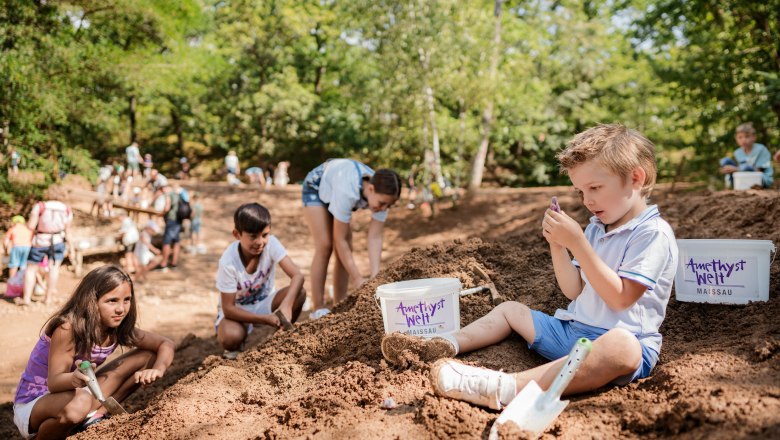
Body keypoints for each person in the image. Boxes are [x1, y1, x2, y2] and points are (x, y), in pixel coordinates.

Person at [381, 124, 678, 411]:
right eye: (579, 192)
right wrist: (558, 245)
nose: (587, 200)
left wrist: (579, 244)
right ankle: (441, 345)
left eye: (595, 188)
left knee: (622, 346)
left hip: (614, 348)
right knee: (510, 310)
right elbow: (574, 290)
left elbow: (621, 298)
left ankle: (504, 387)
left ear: (635, 178)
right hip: (573, 334)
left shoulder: (652, 234)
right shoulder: (597, 229)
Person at [12, 265, 174, 439]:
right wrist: (74, 379)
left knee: (147, 356)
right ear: (91, 301)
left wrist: (158, 369)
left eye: (127, 300)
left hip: (80, 394)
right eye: (112, 301)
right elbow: (54, 382)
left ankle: (95, 416)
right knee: (79, 403)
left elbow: (165, 344)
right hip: (36, 404)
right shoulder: (68, 328)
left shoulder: (118, 328)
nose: (121, 309)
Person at [301, 159, 402, 319]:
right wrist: (357, 279)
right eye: (382, 204)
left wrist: (375, 277)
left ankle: (338, 305)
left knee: (347, 246)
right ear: (370, 188)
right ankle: (317, 308)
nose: (383, 209)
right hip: (316, 187)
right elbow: (338, 239)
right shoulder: (347, 191)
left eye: (388, 206)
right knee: (326, 245)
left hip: (337, 190)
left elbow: (375, 236)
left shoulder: (383, 196)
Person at [215, 203, 306, 359]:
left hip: (266, 303)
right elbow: (228, 308)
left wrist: (286, 306)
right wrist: (264, 319)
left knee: (300, 293)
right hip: (238, 311)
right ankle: (236, 348)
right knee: (231, 337)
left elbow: (298, 276)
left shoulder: (271, 245)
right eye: (253, 236)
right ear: (237, 234)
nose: (260, 242)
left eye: (264, 235)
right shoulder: (228, 262)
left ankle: (279, 338)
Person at [20, 187, 75, 306]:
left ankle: (27, 299)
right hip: (58, 241)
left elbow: (30, 226)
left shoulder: (40, 206)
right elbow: (68, 231)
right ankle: (48, 298)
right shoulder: (67, 209)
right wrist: (72, 249)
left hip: (40, 241)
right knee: (54, 269)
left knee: (31, 269)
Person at [718, 122, 773, 188]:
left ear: (754, 137)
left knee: (745, 167)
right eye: (740, 137)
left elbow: (758, 171)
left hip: (761, 178)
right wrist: (728, 170)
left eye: (747, 136)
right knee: (725, 161)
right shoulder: (737, 152)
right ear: (736, 139)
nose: (743, 140)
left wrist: (737, 169)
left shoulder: (761, 149)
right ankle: (730, 186)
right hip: (743, 178)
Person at [159, 186, 183, 271]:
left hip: (171, 220)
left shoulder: (169, 195)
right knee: (176, 242)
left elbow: (167, 207)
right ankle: (174, 263)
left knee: (167, 242)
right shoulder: (178, 195)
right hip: (178, 220)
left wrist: (161, 213)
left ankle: (164, 264)